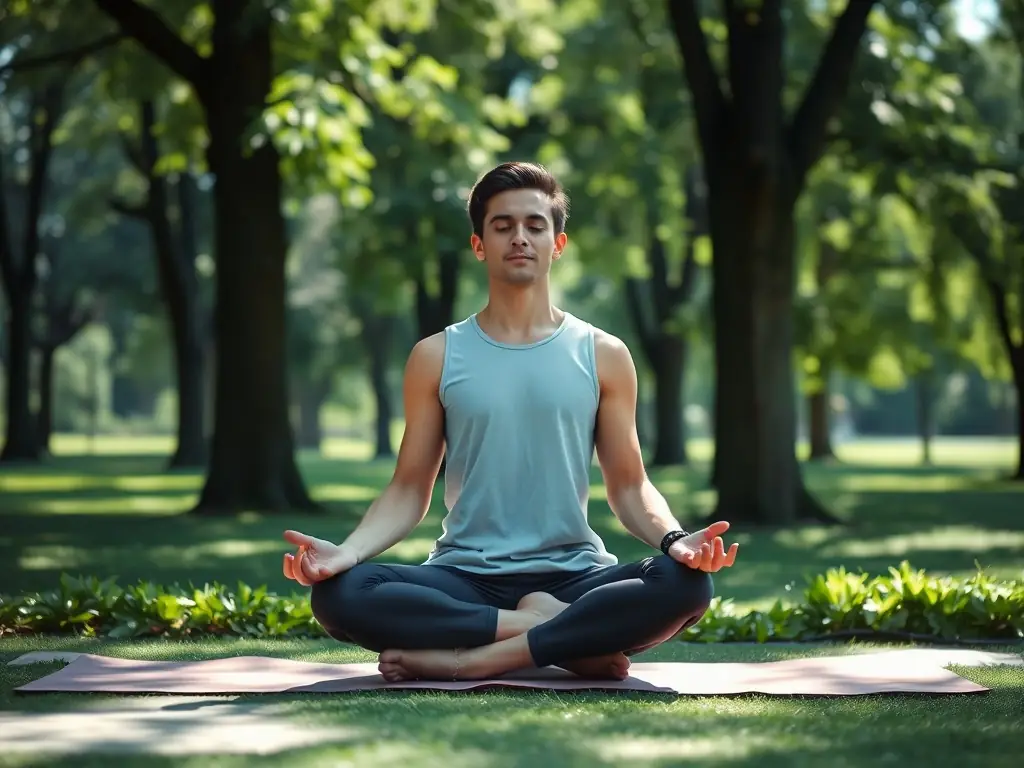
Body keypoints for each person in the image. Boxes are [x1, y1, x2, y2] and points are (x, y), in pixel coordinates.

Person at [281, 161, 739, 683]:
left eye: (534, 225)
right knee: (341, 594)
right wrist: (348, 552)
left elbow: (630, 486)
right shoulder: (437, 356)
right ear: (479, 244)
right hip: (464, 578)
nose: (519, 237)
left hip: (576, 576)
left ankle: (479, 657)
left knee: (686, 587)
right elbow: (409, 490)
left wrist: (674, 540)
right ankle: (562, 638)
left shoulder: (604, 354)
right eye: (502, 226)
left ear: (558, 244)